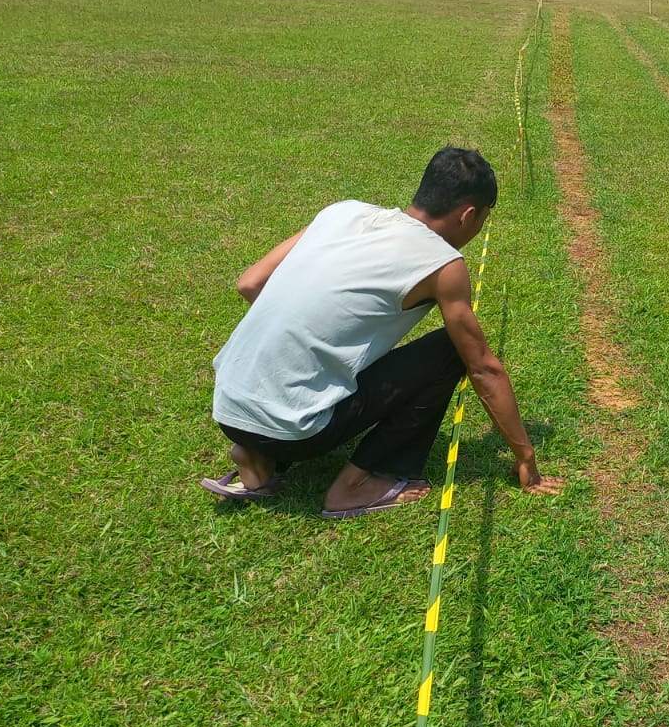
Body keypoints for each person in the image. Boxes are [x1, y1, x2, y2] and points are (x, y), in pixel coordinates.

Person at [202, 146, 562, 517]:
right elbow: (484, 368)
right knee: (449, 351)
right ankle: (354, 486)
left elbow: (250, 282)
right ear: (468, 214)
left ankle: (257, 454)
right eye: (484, 219)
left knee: (308, 390)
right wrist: (526, 459)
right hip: (298, 431)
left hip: (229, 410)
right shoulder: (443, 264)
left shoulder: (342, 212)